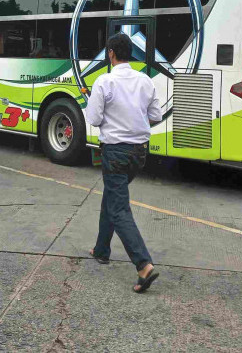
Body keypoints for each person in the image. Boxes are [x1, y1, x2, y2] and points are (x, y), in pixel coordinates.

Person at [85, 33, 162, 293]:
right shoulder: (145, 81)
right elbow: (156, 115)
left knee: (118, 209)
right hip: (139, 153)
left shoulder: (104, 81)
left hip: (115, 153)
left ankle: (143, 265)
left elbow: (94, 119)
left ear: (110, 53)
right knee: (112, 196)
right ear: (132, 53)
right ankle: (101, 249)